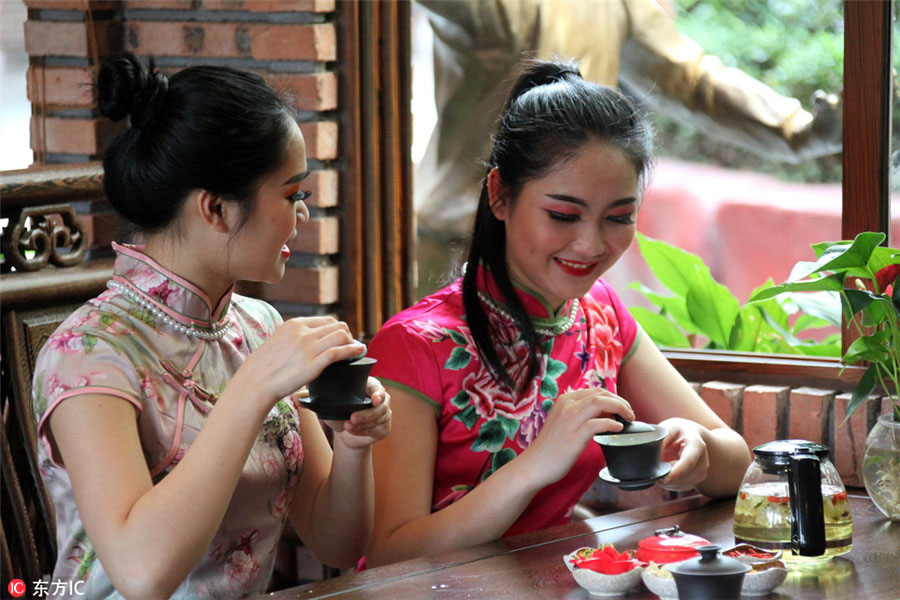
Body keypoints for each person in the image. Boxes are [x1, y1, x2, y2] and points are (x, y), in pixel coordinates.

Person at [364, 59, 752, 567]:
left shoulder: (600, 316)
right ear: (500, 194)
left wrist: (700, 449)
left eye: (618, 217)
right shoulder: (417, 344)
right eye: (563, 215)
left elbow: (737, 462)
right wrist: (534, 466)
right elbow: (389, 553)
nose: (591, 244)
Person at [32, 53, 391, 598]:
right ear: (215, 209)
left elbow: (335, 543)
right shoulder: (87, 352)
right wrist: (252, 388)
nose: (303, 215)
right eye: (292, 194)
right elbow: (141, 575)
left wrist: (354, 444)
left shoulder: (260, 327)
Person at [413, 0, 842, 294]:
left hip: (572, 246)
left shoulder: (612, 5)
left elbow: (692, 81)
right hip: (464, 240)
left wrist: (797, 130)